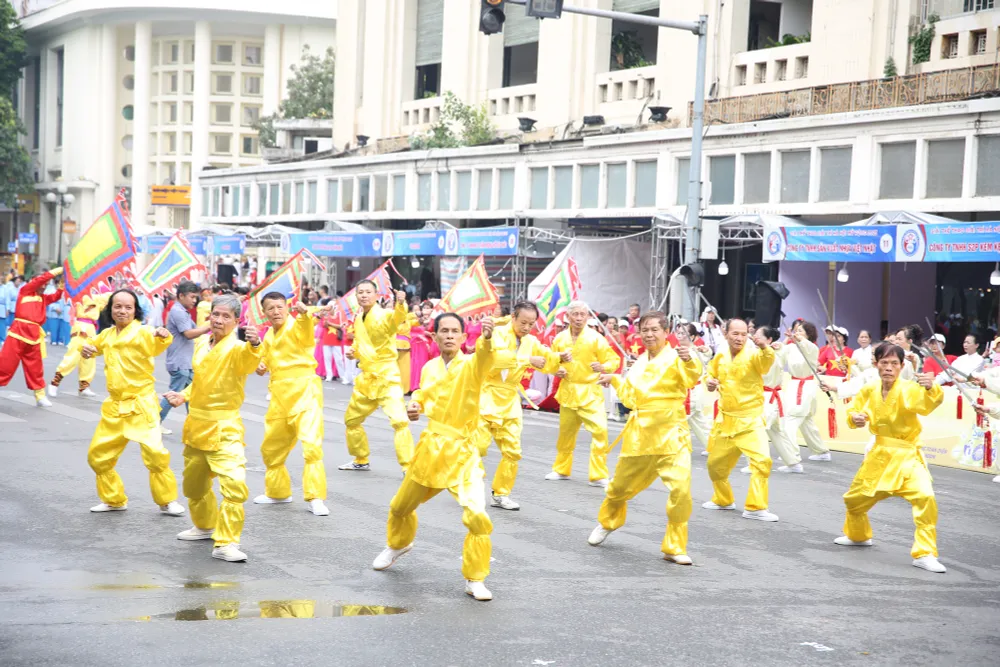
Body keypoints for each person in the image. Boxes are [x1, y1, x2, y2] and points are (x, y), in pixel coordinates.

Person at [373, 313, 497, 601]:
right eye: (444, 331)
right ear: (436, 336)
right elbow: (422, 394)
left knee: (477, 515)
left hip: (462, 452)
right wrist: (415, 405)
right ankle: (398, 544)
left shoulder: (472, 364)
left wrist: (488, 339)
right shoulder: (430, 366)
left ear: (465, 338)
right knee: (400, 506)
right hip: (431, 448)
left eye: (455, 331)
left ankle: (475, 578)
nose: (450, 335)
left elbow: (485, 358)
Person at [587, 311, 702, 564]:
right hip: (640, 434)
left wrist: (689, 360)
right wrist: (615, 379)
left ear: (665, 332)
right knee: (618, 487)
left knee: (681, 490)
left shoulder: (678, 356)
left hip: (672, 433)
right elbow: (629, 399)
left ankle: (674, 546)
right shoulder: (639, 361)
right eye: (645, 330)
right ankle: (608, 522)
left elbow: (692, 377)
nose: (649, 335)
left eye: (654, 330)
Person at [163, 294, 263, 563]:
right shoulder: (200, 345)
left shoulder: (237, 348)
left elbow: (250, 359)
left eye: (226, 316)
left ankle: (227, 541)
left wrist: (255, 343)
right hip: (196, 424)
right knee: (194, 486)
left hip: (225, 427)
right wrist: (183, 395)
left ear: (236, 321)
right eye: (215, 315)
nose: (218, 320)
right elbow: (199, 382)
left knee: (234, 485)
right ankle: (205, 526)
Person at [836, 343, 947, 573]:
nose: (888, 368)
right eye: (884, 363)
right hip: (879, 453)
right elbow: (854, 410)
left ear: (901, 366)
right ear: (876, 364)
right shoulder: (869, 389)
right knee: (855, 500)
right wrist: (854, 418)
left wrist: (931, 388)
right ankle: (858, 535)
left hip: (907, 454)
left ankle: (925, 553)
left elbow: (926, 405)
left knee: (925, 497)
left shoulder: (909, 388)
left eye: (894, 363)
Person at [79, 289, 185, 516]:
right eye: (118, 306)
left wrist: (162, 334)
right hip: (115, 407)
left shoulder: (144, 332)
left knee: (155, 454)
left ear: (136, 310)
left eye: (128, 307)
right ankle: (113, 499)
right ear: (110, 309)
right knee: (97, 456)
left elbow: (159, 341)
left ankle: (167, 500)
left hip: (140, 404)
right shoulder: (107, 335)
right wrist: (86, 349)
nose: (122, 311)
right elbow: (91, 347)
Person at [477, 301, 561, 511]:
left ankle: (501, 493)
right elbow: (498, 359)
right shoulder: (496, 333)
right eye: (523, 322)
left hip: (510, 398)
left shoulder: (530, 340)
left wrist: (560, 359)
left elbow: (546, 357)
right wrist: (528, 360)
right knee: (477, 446)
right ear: (513, 317)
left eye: (531, 324)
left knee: (513, 450)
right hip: (488, 394)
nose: (526, 327)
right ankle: (472, 482)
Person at [252, 294, 331, 516]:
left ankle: (316, 497)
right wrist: (261, 366)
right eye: (271, 308)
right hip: (279, 394)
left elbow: (306, 337)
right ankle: (278, 492)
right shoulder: (268, 334)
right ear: (265, 313)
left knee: (311, 445)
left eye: (279, 307)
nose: (276, 311)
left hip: (304, 390)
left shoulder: (297, 324)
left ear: (287, 308)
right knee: (272, 446)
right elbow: (267, 358)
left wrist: (305, 315)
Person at [702, 319, 780, 522]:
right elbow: (711, 373)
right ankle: (723, 499)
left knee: (762, 461)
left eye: (744, 334)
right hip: (726, 419)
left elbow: (765, 365)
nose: (739, 338)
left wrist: (765, 348)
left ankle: (756, 507)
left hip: (750, 419)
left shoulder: (755, 353)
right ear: (725, 333)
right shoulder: (721, 355)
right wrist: (709, 382)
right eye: (735, 333)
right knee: (715, 465)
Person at [544, 301, 620, 487]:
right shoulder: (560, 339)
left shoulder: (596, 338)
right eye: (575, 314)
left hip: (590, 391)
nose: (579, 318)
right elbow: (550, 361)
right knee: (566, 434)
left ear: (588, 317)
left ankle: (598, 474)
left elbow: (613, 359)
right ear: (568, 317)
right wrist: (556, 369)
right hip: (568, 391)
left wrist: (603, 367)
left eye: (582, 314)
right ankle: (561, 469)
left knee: (600, 431)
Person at [339, 281, 413, 472]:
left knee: (399, 421)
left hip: (387, 377)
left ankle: (408, 466)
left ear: (376, 294)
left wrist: (400, 303)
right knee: (351, 421)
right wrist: (353, 352)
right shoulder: (358, 318)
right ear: (356, 296)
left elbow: (397, 319)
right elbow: (360, 341)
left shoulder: (384, 314)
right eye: (360, 292)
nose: (364, 295)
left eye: (368, 292)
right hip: (367, 379)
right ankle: (361, 458)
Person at [0, 267, 64, 407]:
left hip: (34, 336)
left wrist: (63, 284)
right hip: (17, 334)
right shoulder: (25, 291)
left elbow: (56, 296)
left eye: (46, 285)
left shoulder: (43, 298)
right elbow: (40, 280)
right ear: (34, 282)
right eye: (42, 283)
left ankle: (40, 396)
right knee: (4, 365)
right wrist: (55, 272)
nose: (44, 286)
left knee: (36, 369)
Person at [158, 281, 211, 434]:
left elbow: (195, 330)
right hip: (180, 362)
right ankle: (155, 423)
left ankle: (194, 424)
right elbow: (188, 334)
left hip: (186, 362)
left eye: (196, 297)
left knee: (192, 395)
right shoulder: (178, 311)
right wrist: (210, 326)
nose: (194, 300)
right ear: (181, 296)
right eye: (192, 297)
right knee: (173, 395)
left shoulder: (183, 311)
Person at [778, 320, 833, 466]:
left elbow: (807, 346)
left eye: (801, 331)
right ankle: (821, 451)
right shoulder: (791, 347)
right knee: (806, 421)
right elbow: (779, 352)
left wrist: (799, 339)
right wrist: (786, 339)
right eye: (796, 330)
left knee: (791, 418)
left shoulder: (812, 348)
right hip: (795, 384)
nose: (797, 333)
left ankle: (791, 454)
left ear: (808, 335)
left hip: (805, 386)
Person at [48, 293, 111, 398]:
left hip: (91, 329)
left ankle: (84, 386)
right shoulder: (80, 294)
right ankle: (55, 383)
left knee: (89, 359)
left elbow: (108, 298)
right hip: (80, 328)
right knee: (72, 358)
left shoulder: (97, 296)